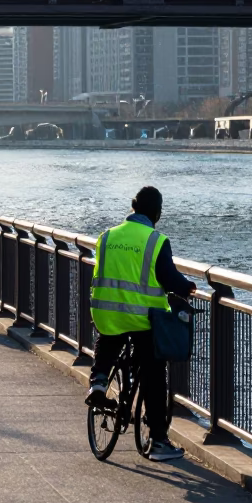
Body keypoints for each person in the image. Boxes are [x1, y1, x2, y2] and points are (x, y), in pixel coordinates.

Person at [87, 184, 196, 463]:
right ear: (157, 213)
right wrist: (188, 287)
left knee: (109, 339)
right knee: (154, 374)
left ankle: (98, 382)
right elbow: (169, 279)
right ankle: (158, 441)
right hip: (143, 319)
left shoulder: (107, 236)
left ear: (133, 207)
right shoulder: (156, 240)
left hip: (106, 311)